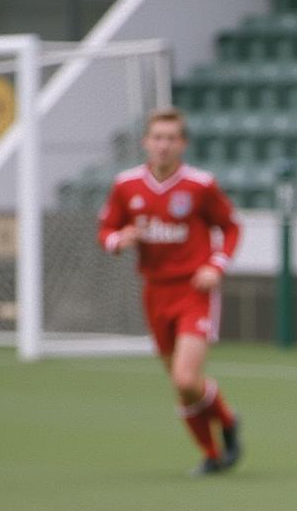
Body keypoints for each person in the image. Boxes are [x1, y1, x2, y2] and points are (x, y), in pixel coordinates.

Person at [98, 108, 242, 475]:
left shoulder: (200, 185)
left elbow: (230, 227)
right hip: (155, 292)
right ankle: (216, 443)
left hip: (194, 290)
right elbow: (107, 230)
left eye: (171, 138)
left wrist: (216, 265)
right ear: (146, 142)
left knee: (184, 378)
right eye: (157, 138)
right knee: (183, 386)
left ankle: (220, 436)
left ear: (183, 143)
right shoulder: (126, 185)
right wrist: (119, 240)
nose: (163, 145)